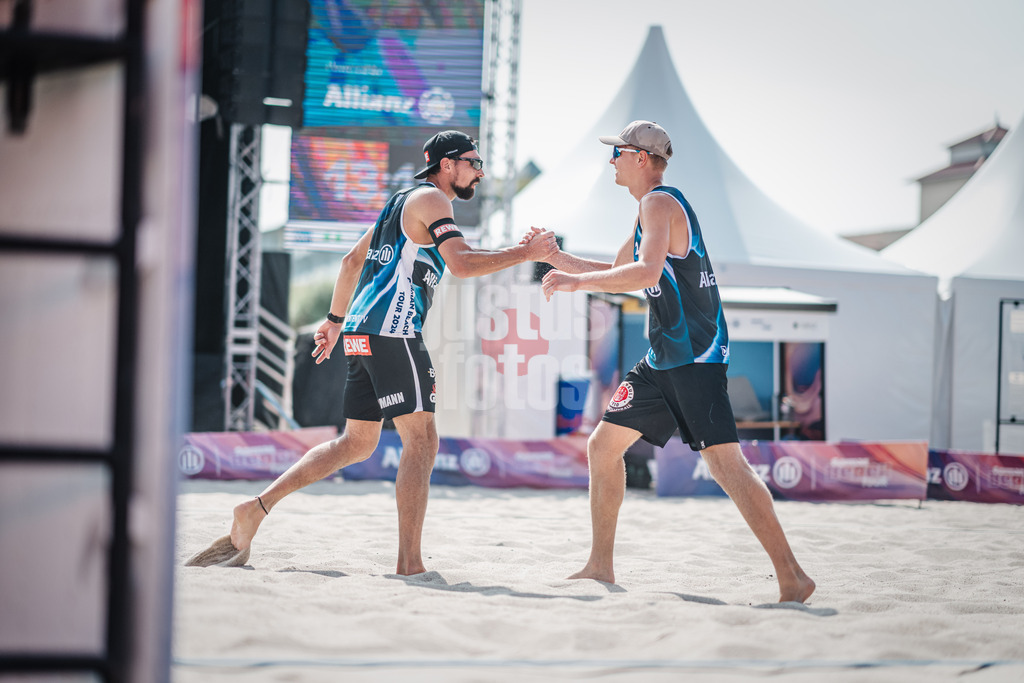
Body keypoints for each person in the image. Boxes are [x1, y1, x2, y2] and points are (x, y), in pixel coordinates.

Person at [187, 130, 558, 574]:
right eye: (474, 163)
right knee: (422, 441)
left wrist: (334, 321)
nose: (480, 172)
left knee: (357, 443)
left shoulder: (398, 204)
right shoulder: (432, 200)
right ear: (447, 164)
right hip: (392, 332)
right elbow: (461, 264)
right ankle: (410, 564)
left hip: (361, 332)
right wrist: (525, 253)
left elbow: (351, 261)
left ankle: (255, 508)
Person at [538, 120, 815, 603]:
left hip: (696, 358)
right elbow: (618, 272)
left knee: (726, 466)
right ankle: (600, 564)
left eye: (618, 152)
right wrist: (559, 259)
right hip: (663, 358)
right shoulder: (647, 211)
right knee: (603, 447)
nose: (611, 160)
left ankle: (793, 576)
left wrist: (576, 283)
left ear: (641, 158)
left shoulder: (659, 203)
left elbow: (644, 273)